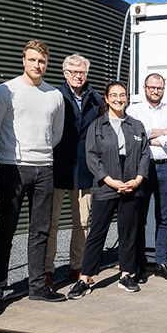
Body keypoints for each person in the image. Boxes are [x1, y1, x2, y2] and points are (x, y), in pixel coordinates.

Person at [0, 40, 66, 317]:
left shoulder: (55, 95)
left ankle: (38, 286)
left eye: (41, 61)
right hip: (13, 168)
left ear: (47, 63)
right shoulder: (6, 90)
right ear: (23, 60)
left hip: (45, 168)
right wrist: (6, 156)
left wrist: (40, 152)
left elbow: (56, 134)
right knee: (5, 231)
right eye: (32, 59)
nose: (37, 65)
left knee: (40, 230)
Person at [68, 82, 149, 298]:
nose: (118, 99)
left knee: (128, 232)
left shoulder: (136, 125)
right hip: (106, 185)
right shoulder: (97, 126)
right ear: (106, 98)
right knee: (97, 232)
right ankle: (85, 278)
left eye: (122, 95)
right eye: (113, 95)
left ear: (127, 98)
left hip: (132, 186)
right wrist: (110, 180)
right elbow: (91, 156)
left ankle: (126, 275)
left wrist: (137, 180)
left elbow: (144, 154)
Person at [45, 54, 104, 286]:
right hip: (58, 167)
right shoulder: (54, 96)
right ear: (65, 73)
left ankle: (77, 266)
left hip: (85, 169)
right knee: (51, 223)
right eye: (74, 72)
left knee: (82, 222)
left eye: (82, 72)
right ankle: (48, 270)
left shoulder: (96, 100)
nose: (79, 76)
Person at [126, 73, 167, 282]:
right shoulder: (133, 110)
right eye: (152, 87)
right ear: (144, 88)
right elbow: (134, 135)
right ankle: (140, 265)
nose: (155, 91)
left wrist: (150, 138)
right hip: (142, 169)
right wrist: (162, 132)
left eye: (159, 88)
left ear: (163, 89)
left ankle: (161, 263)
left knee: (164, 218)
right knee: (139, 218)